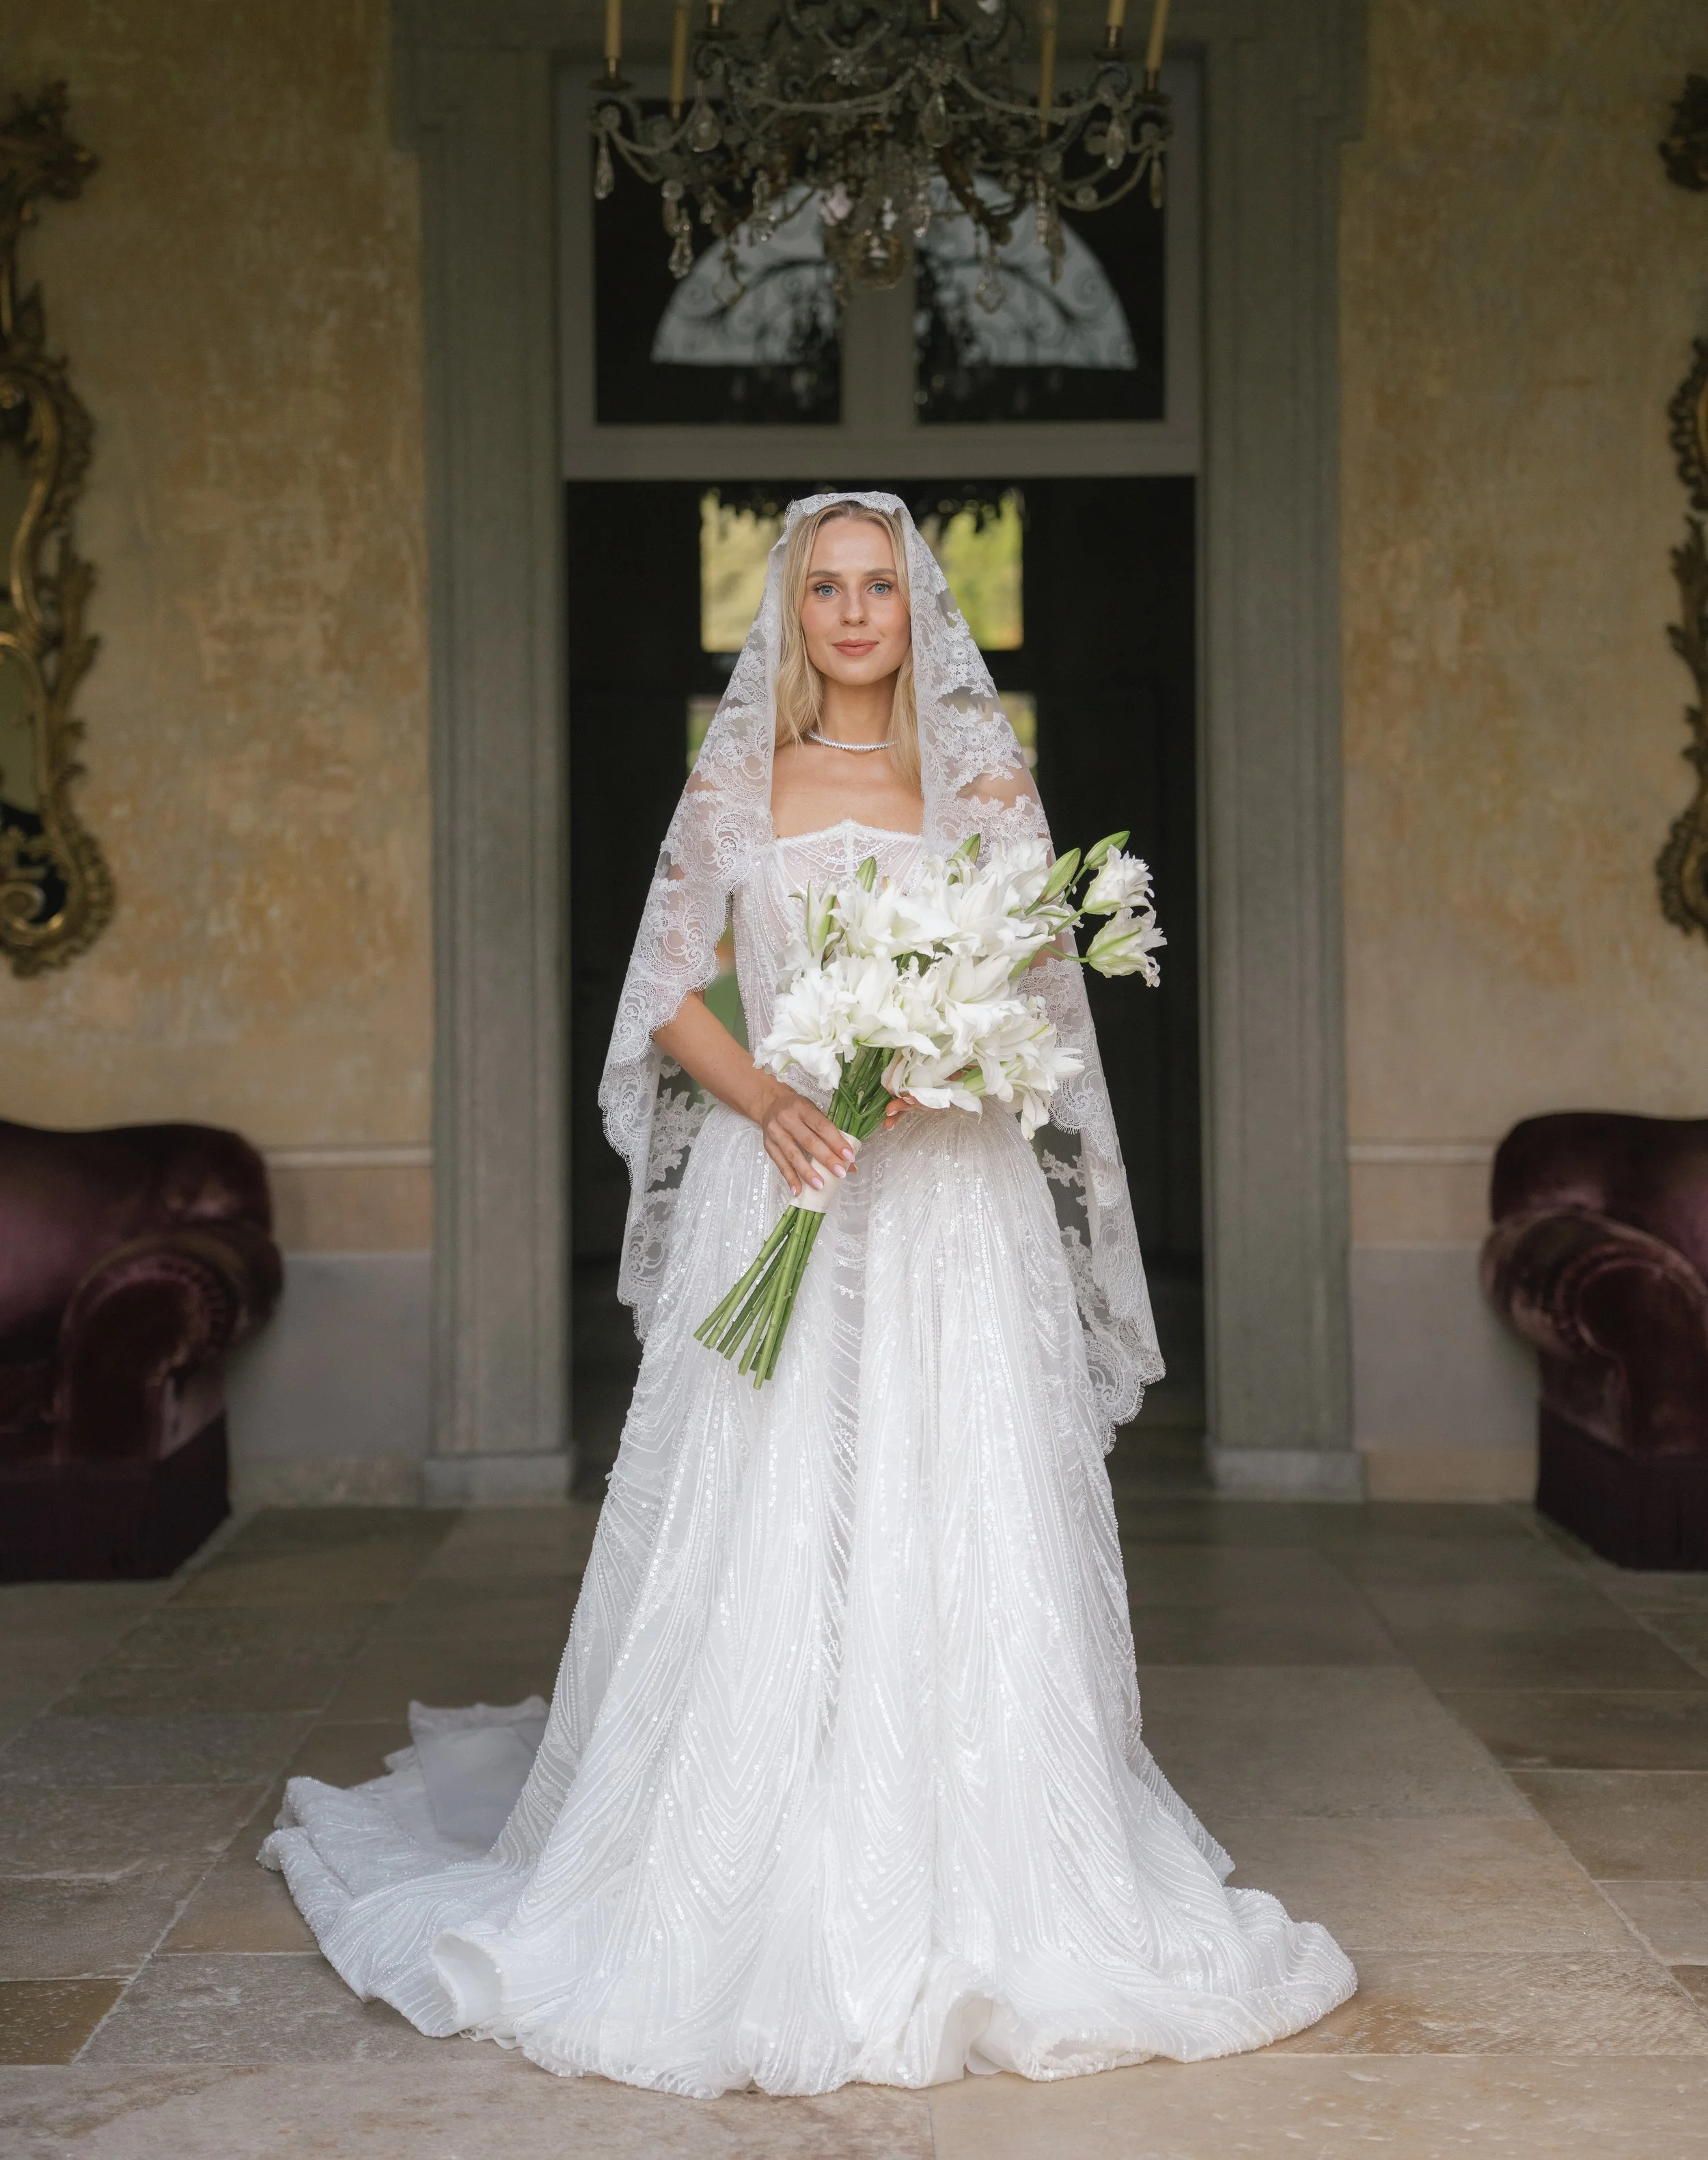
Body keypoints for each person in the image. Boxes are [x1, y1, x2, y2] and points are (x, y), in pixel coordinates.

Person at [262, 490, 1356, 2095]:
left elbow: (1034, 999)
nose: (852, 615)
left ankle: (980, 1849)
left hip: (941, 1203)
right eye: (823, 590)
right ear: (791, 616)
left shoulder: (978, 778)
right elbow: (664, 992)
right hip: (779, 1180)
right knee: (769, 1496)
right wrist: (774, 1095)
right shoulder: (741, 783)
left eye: (876, 588)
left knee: (946, 1496)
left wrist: (936, 1065)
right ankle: (743, 1824)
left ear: (918, 610)